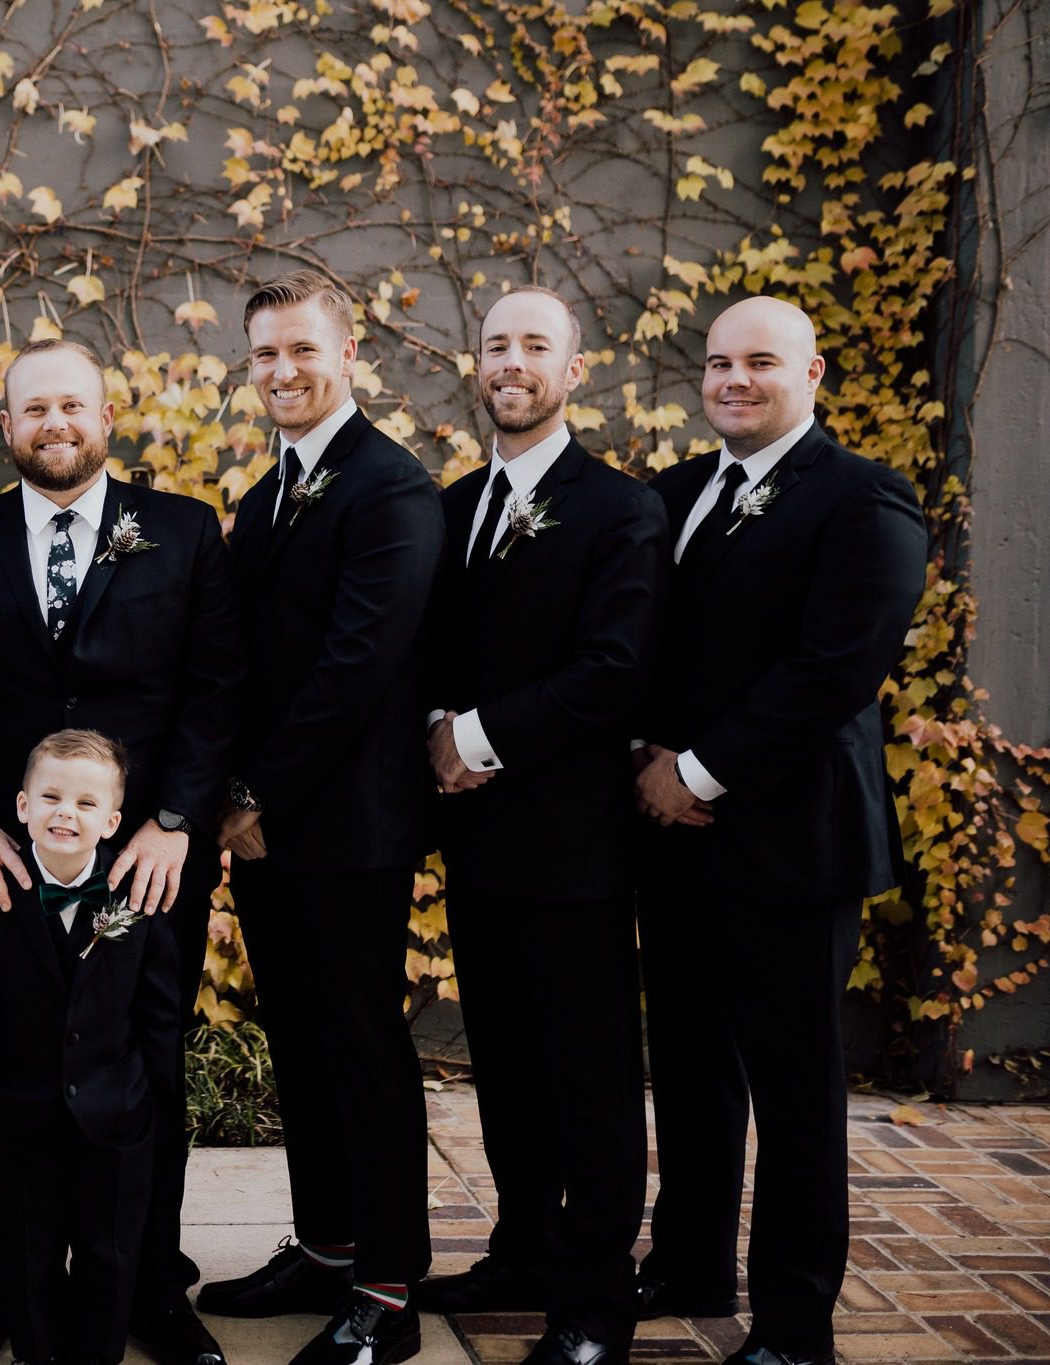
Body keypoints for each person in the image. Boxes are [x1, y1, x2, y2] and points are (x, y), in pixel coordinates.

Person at [0, 338, 240, 1365]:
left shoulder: (182, 534)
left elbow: (215, 687)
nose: (53, 425)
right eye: (31, 409)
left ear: (106, 417)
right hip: (4, 864)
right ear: (3, 426)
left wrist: (171, 820)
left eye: (72, 407)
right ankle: (10, 1286)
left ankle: (151, 1284)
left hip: (143, 859)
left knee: (144, 1075)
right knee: (12, 1070)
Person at [632, 296, 925, 1365]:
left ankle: (795, 1324)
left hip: (791, 840)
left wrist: (697, 770)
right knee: (691, 1066)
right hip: (673, 836)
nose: (732, 381)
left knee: (795, 1092)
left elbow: (834, 668)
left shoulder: (862, 499)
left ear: (811, 376)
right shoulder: (676, 493)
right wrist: (642, 762)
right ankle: (688, 1261)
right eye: (716, 364)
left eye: (758, 362)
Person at [409, 286, 663, 1365]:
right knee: (504, 1059)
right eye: (494, 345)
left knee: (588, 1072)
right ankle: (520, 1245)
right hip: (477, 844)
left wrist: (470, 742)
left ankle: (594, 1297)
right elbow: (428, 656)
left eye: (533, 346)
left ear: (573, 372)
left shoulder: (619, 510)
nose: (509, 362)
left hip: (574, 846)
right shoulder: (452, 504)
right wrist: (432, 723)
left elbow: (613, 673)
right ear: (475, 367)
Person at [195, 269, 444, 1365]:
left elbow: (355, 666)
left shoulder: (388, 489)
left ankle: (387, 1292)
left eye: (301, 351)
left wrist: (250, 797)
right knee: (297, 1041)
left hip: (345, 829)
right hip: (273, 831)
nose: (282, 372)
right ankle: (328, 1244)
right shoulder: (267, 490)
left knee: (358, 1045)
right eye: (263, 356)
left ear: (348, 358)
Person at [0, 729, 182, 1365]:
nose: (66, 812)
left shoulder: (137, 893)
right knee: (26, 1248)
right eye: (51, 796)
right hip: (21, 1101)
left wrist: (153, 1097)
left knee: (110, 1250)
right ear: (22, 805)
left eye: (86, 804)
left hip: (117, 1108)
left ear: (112, 820)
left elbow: (160, 1007)